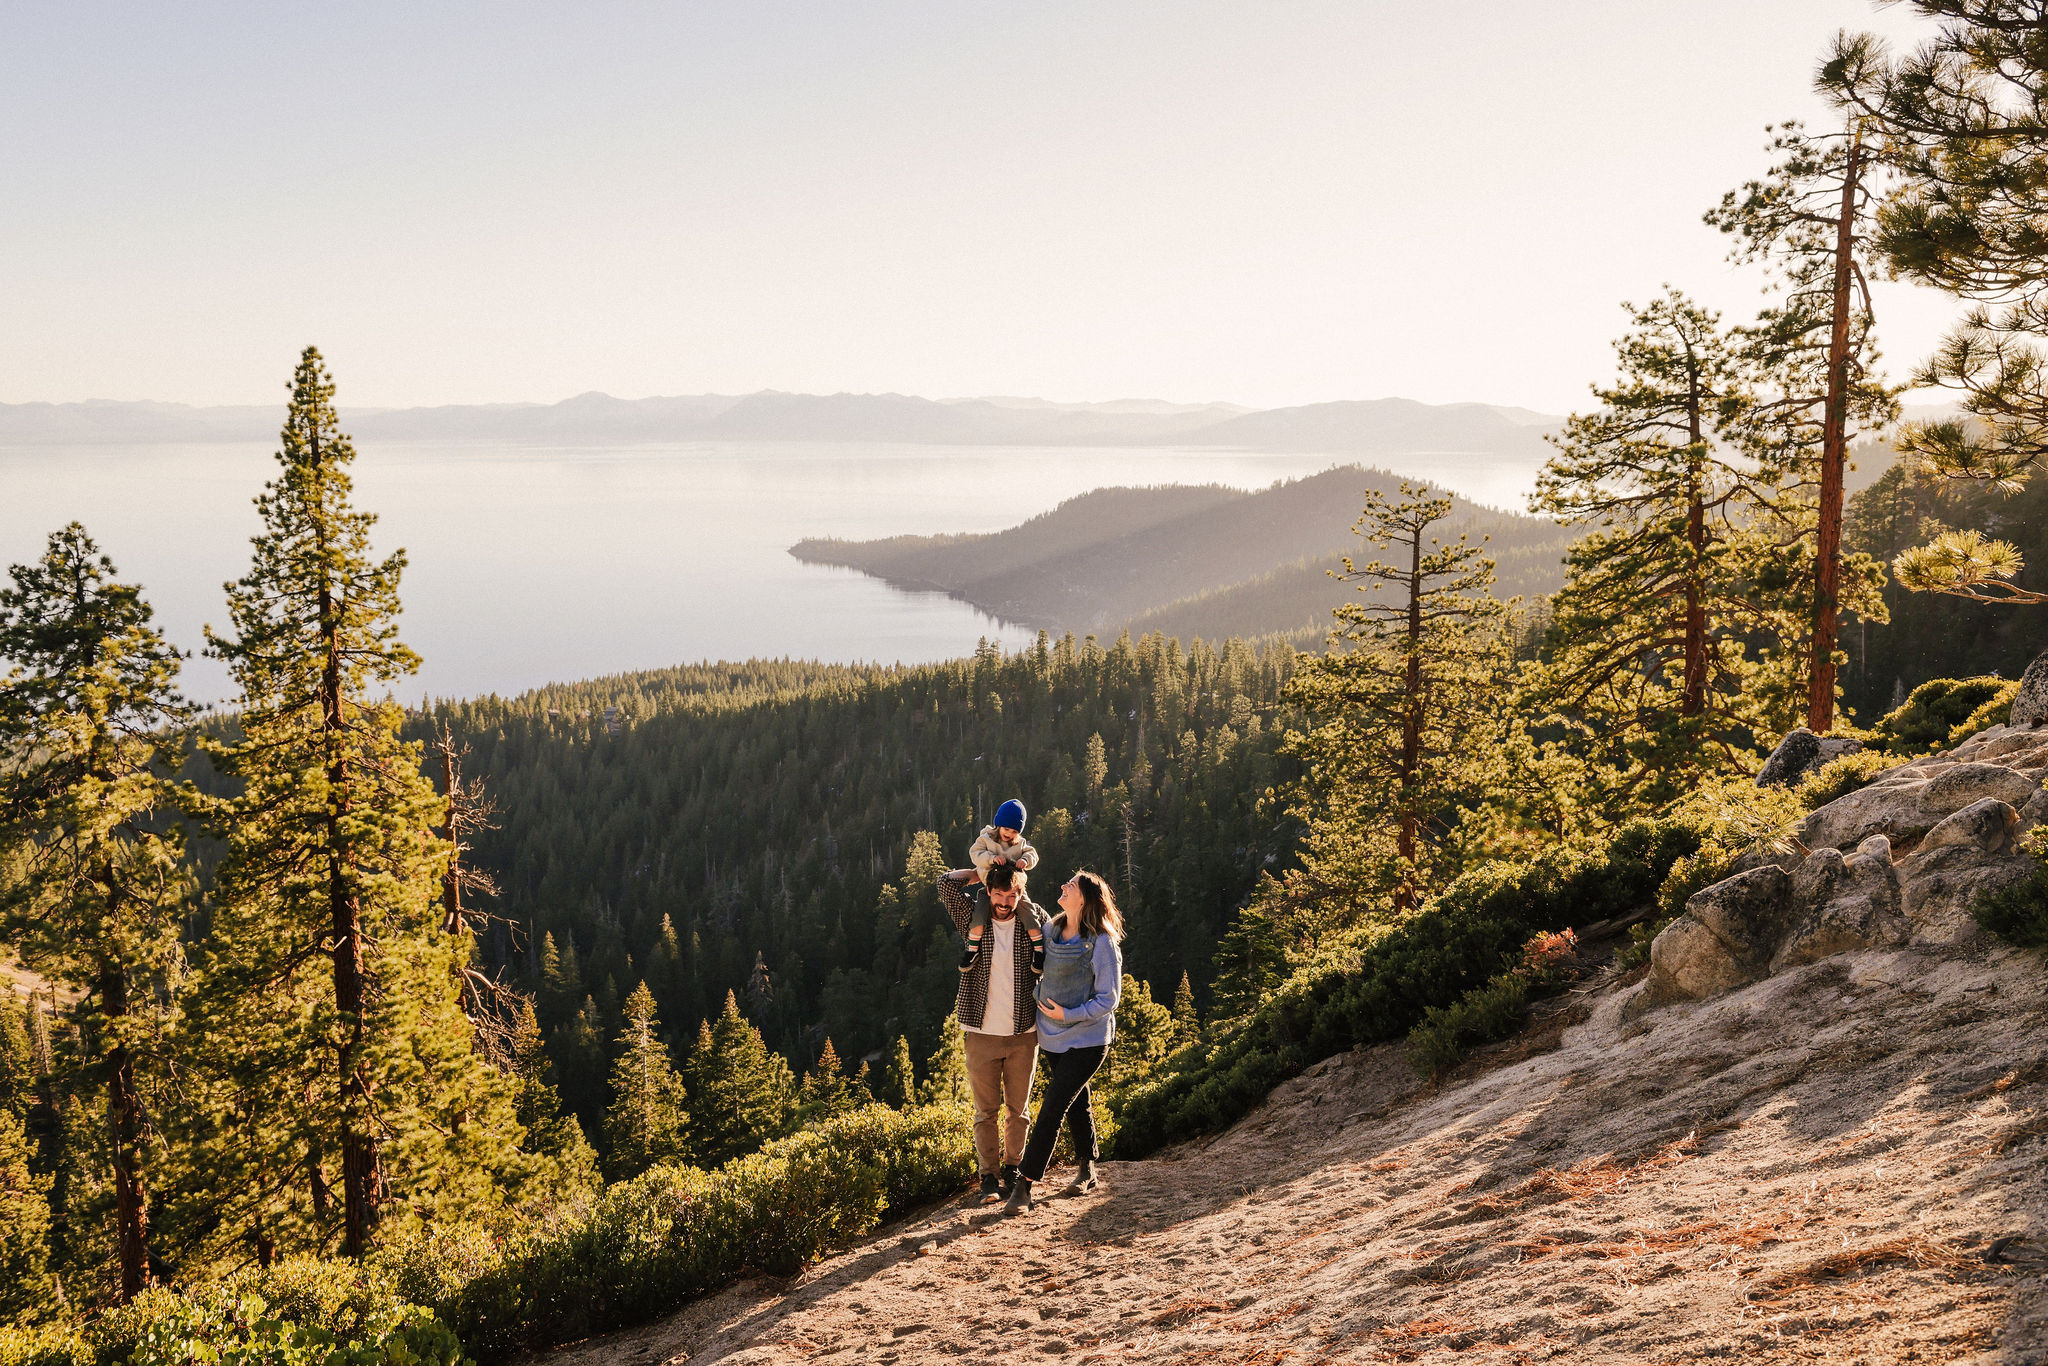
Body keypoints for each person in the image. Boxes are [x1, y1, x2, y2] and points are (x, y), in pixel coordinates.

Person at [1003, 869, 1123, 1215]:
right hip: (1052, 1039)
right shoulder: (1051, 930)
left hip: (1087, 1041)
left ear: (1083, 898)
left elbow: (1109, 999)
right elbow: (1022, 908)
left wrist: (1067, 1014)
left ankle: (1024, 1186)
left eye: (1070, 884)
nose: (1063, 886)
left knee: (1053, 1106)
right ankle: (1088, 1168)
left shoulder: (1102, 942)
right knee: (1074, 1102)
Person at [936, 862, 1048, 1203]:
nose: (1004, 901)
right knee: (986, 1111)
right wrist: (981, 870)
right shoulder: (974, 920)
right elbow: (944, 884)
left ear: (1020, 894)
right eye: (998, 894)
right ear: (988, 893)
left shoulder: (1033, 921)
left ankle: (1014, 1170)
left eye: (1012, 895)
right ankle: (988, 1177)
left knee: (1019, 1110)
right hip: (980, 1031)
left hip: (1023, 1032)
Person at [961, 799, 1039, 973]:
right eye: (1006, 829)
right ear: (998, 825)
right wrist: (991, 858)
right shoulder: (986, 839)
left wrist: (1025, 861)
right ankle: (972, 951)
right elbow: (975, 854)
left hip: (1014, 890)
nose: (1009, 834)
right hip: (990, 888)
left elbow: (1033, 855)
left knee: (1030, 916)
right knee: (979, 916)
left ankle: (1039, 953)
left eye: (1014, 831)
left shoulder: (1020, 843)